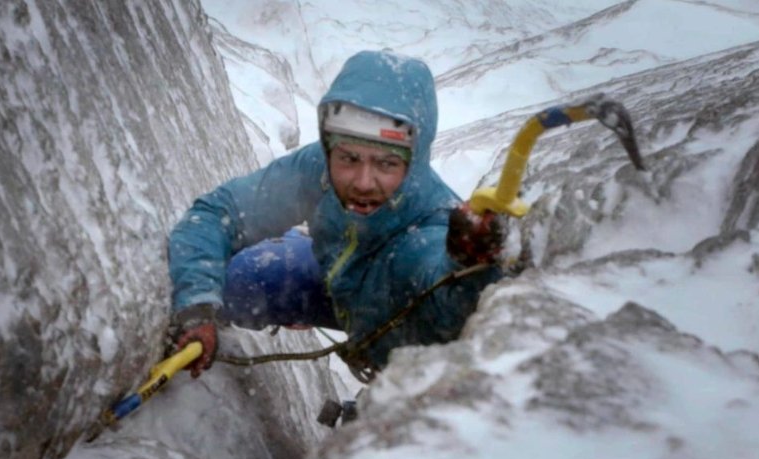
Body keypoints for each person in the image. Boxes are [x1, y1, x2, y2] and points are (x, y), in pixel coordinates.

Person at [167, 50, 507, 381]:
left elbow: (445, 307)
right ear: (330, 148)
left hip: (392, 321)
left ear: (413, 163)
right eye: (349, 159)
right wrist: (197, 307)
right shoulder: (318, 167)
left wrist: (468, 269)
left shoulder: (427, 230)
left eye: (386, 163)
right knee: (237, 279)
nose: (362, 182)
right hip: (338, 283)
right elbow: (219, 213)